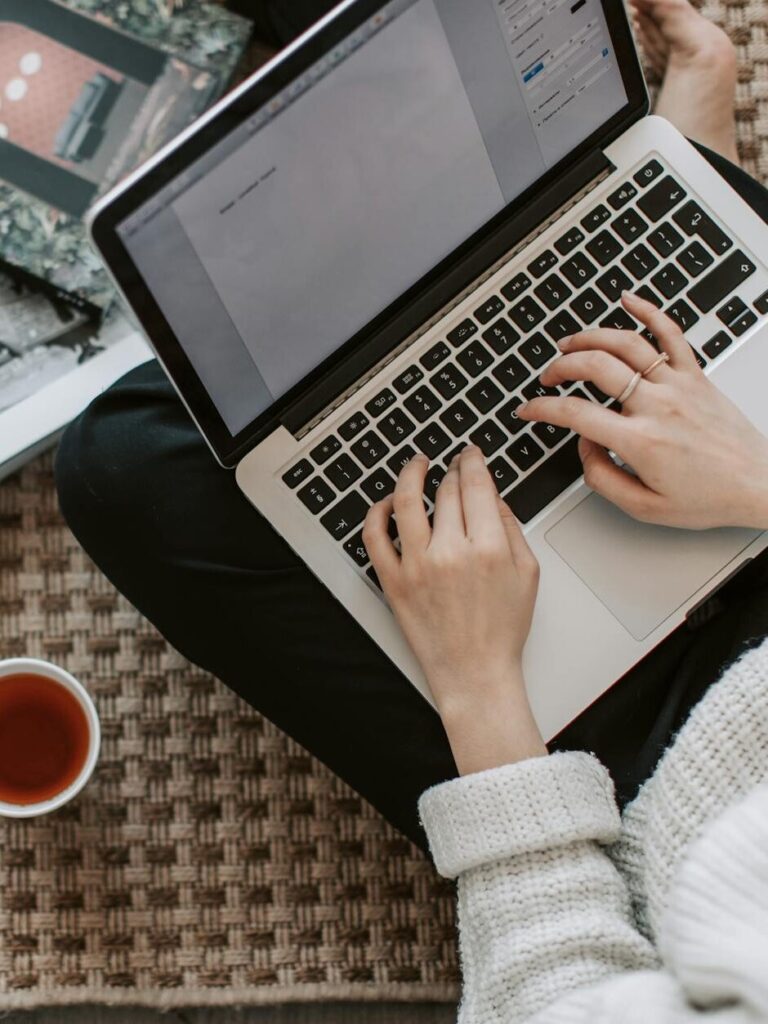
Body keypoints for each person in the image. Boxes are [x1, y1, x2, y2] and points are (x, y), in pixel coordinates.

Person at [55, 0, 768, 1018]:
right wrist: (755, 471)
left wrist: (479, 688)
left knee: (129, 464)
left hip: (613, 772)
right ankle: (635, 181)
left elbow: (553, 989)